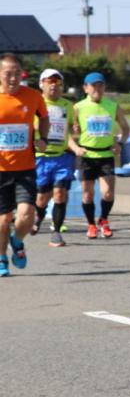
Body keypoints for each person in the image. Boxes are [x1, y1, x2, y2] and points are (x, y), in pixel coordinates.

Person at [0, 54, 48, 276]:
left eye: (17, 73)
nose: (13, 78)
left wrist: (43, 138)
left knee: (27, 214)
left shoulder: (33, 96)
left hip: (25, 167)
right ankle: (2, 259)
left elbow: (44, 118)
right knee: (2, 221)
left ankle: (17, 241)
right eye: (8, 73)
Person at [72, 72, 130, 239]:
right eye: (93, 85)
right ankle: (91, 224)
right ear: (86, 88)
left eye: (100, 85)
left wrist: (120, 144)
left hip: (106, 154)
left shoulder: (113, 106)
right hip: (86, 155)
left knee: (107, 193)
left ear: (104, 87)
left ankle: (103, 219)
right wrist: (75, 145)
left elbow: (126, 129)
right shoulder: (78, 107)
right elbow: (68, 131)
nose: (97, 89)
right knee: (87, 194)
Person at [34, 68, 75, 247]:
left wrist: (76, 145)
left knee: (60, 194)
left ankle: (56, 232)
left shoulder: (68, 105)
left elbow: (71, 130)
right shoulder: (36, 103)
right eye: (50, 82)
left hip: (62, 157)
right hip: (41, 157)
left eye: (58, 83)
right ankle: (37, 218)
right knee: (42, 198)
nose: (54, 86)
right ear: (41, 84)